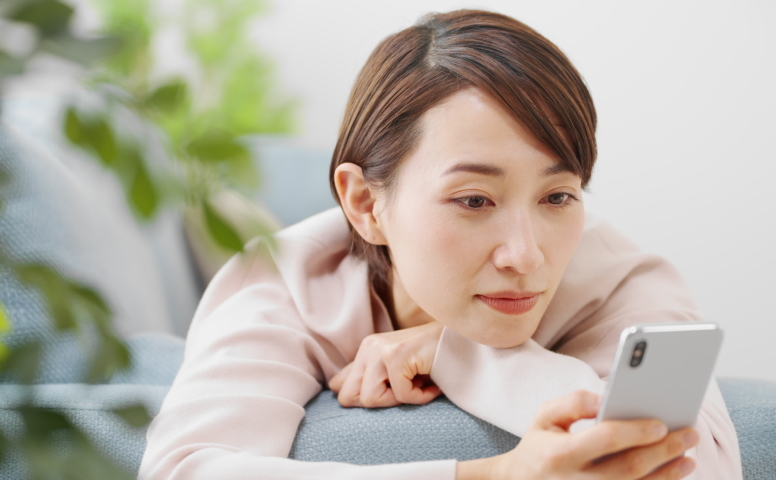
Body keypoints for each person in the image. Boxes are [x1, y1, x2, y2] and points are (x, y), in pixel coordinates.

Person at [139, 9, 742, 480]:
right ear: (365, 204)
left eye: (558, 196)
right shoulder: (286, 281)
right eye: (475, 200)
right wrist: (496, 472)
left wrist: (457, 352)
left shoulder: (624, 282)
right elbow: (184, 469)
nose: (526, 256)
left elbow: (696, 465)